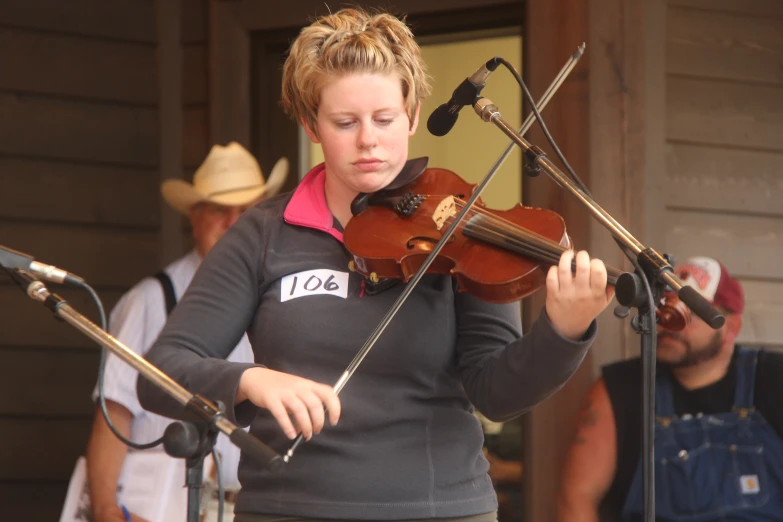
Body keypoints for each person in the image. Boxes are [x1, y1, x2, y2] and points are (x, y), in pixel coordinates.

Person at [137, 7, 614, 522]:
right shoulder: (263, 234)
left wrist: (564, 331)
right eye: (345, 122)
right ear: (311, 125)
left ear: (411, 116)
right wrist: (249, 381)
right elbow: (160, 372)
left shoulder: (458, 227)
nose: (369, 140)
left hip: (441, 509)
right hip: (292, 509)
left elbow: (496, 393)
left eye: (385, 120)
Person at [85, 142, 288, 522]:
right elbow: (114, 410)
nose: (234, 222)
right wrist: (106, 510)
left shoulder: (277, 293)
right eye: (219, 210)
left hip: (250, 507)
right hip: (159, 508)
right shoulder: (150, 299)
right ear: (194, 216)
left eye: (246, 211)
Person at [557, 256, 783, 522]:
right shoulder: (619, 388)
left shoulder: (773, 377)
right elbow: (576, 497)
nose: (669, 322)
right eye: (665, 306)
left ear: (730, 327)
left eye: (689, 312)